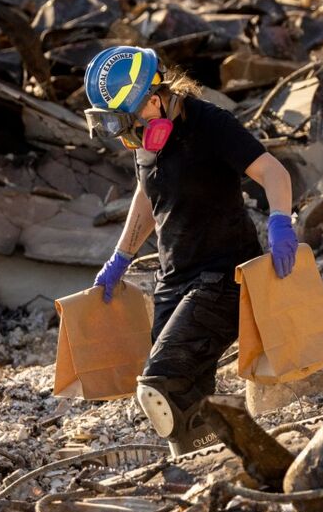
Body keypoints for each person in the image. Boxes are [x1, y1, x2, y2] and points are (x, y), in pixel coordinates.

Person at [83, 45, 298, 456]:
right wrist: (120, 257)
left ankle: (240, 446)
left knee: (157, 385)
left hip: (224, 278)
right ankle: (217, 464)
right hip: (174, 279)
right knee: (185, 407)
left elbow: (272, 171)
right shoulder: (143, 135)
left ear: (154, 96)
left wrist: (280, 223)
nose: (129, 135)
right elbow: (147, 196)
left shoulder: (211, 124)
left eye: (130, 122)